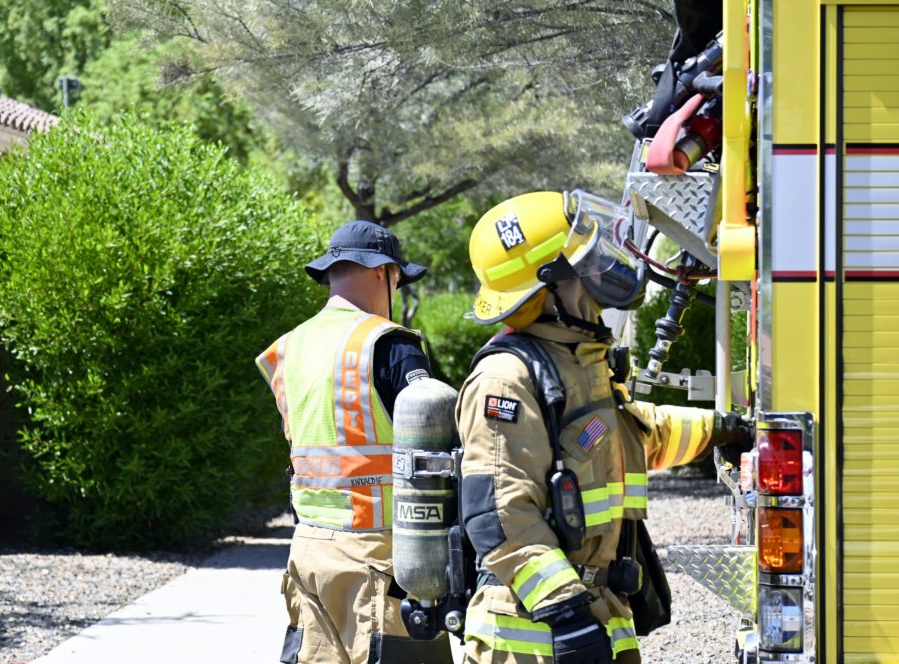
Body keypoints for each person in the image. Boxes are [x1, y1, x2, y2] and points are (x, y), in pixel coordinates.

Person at [456, 191, 753, 664]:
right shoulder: (505, 380)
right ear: (550, 288)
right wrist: (566, 613)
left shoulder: (580, 360)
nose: (602, 271)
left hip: (598, 614)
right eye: (586, 262)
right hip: (531, 635)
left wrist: (725, 429)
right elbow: (500, 514)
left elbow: (635, 436)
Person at [256, 220, 454, 664]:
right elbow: (439, 441)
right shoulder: (388, 344)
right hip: (379, 556)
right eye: (398, 279)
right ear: (384, 272)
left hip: (308, 550)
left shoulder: (288, 348)